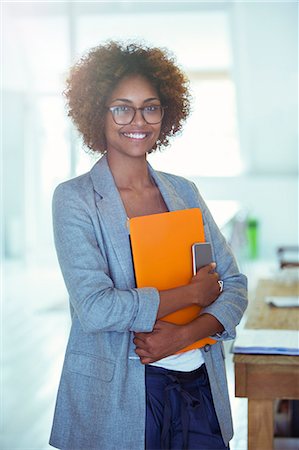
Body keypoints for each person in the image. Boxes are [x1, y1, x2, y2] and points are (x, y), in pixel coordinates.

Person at [49, 41, 247, 450]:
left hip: (199, 386)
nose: (138, 120)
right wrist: (192, 293)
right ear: (97, 113)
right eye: (122, 107)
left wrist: (187, 333)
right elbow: (96, 308)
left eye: (150, 107)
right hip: (119, 396)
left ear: (166, 113)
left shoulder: (184, 191)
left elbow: (235, 284)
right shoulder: (75, 199)